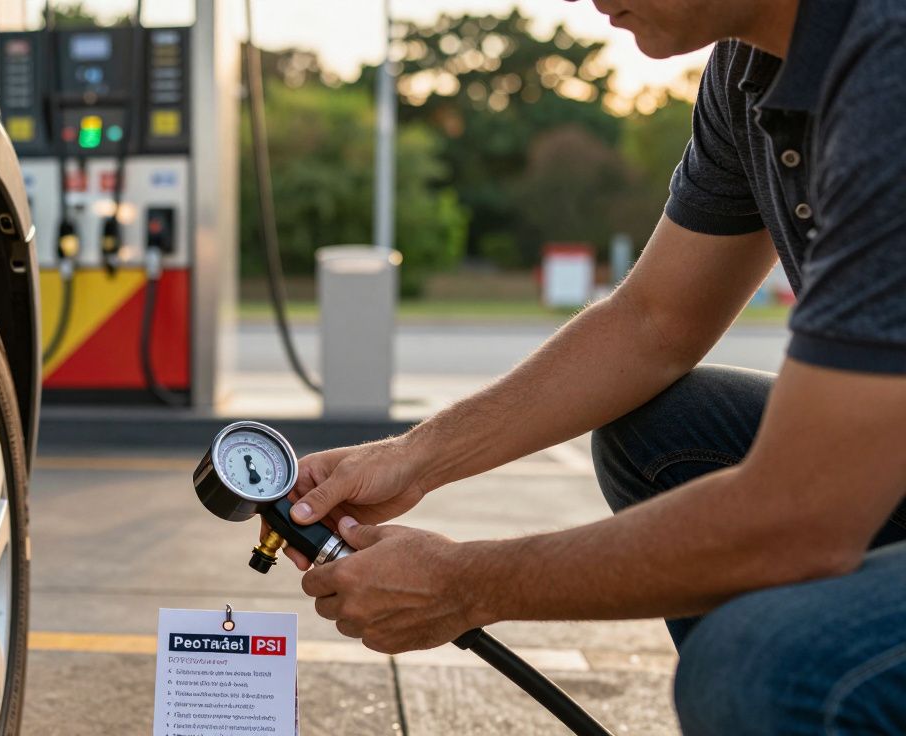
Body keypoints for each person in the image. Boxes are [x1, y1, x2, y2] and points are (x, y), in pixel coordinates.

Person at [285, 1, 906, 732]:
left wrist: (466, 584)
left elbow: (798, 517)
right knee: (669, 428)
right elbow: (655, 323)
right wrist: (411, 460)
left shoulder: (888, 69)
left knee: (761, 664)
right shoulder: (751, 70)